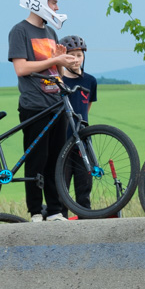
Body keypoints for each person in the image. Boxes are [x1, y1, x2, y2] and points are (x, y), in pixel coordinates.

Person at [8, 0, 78, 222]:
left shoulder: (49, 32)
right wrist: (55, 60)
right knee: (36, 158)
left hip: (55, 104)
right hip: (34, 104)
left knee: (57, 158)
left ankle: (55, 210)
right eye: (53, 1)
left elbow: (53, 72)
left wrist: (61, 63)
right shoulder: (20, 31)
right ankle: (36, 211)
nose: (57, 7)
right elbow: (21, 68)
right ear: (39, 1)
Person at [58, 35, 96, 213]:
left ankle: (85, 223)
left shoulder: (90, 81)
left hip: (82, 140)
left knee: (84, 187)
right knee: (61, 190)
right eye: (71, 55)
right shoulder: (58, 81)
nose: (75, 60)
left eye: (79, 55)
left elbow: (86, 108)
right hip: (62, 140)